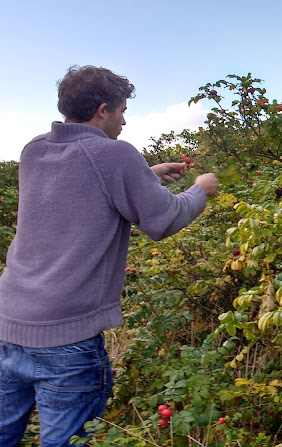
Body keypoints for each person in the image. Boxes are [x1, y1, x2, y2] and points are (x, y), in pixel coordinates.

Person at [0, 65, 219, 447]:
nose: (124, 120)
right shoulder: (115, 154)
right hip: (67, 335)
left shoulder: (34, 150)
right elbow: (162, 220)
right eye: (122, 111)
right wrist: (200, 190)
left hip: (8, 323)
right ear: (103, 109)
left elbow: (75, 200)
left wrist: (146, 175)